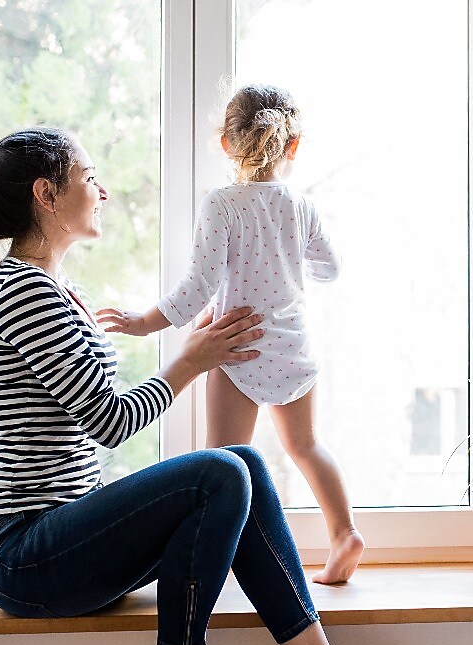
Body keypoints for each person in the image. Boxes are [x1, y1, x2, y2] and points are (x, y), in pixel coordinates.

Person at [0, 127, 428, 645]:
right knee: (219, 471)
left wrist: (193, 354)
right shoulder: (24, 292)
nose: (103, 191)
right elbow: (109, 420)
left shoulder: (51, 289)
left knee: (242, 463)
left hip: (58, 541)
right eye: (90, 179)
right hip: (22, 554)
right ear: (46, 194)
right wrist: (191, 362)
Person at [101, 84, 364, 584]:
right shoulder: (299, 206)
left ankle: (221, 561)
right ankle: (344, 532)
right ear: (293, 147)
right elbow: (330, 267)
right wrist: (289, 260)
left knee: (222, 464)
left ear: (226, 143)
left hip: (236, 347)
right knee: (307, 446)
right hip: (293, 348)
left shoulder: (221, 205)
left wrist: (142, 322)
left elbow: (197, 287)